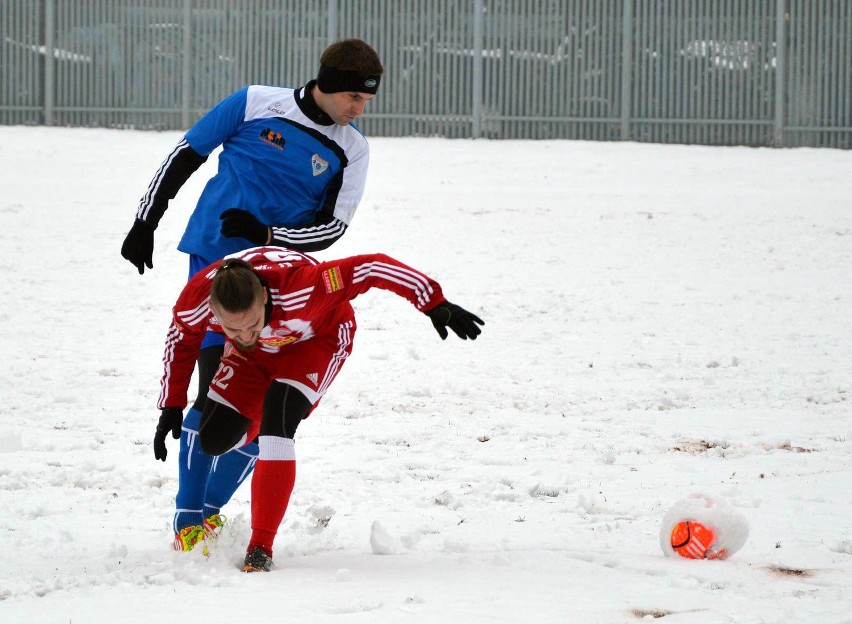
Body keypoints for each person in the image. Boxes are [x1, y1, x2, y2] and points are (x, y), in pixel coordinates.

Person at [120, 39, 384, 551]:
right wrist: (145, 220)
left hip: (282, 293)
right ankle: (189, 522)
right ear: (326, 84)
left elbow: (333, 229)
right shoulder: (254, 102)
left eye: (365, 101)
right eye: (353, 97)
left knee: (260, 416)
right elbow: (186, 155)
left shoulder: (353, 148)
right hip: (216, 273)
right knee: (211, 398)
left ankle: (210, 512)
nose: (358, 110)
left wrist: (268, 235)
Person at [154, 246, 484, 571]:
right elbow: (180, 340)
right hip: (257, 356)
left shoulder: (305, 285)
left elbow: (372, 267)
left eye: (252, 323)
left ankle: (260, 547)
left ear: (265, 299)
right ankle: (202, 512)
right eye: (231, 329)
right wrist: (171, 403)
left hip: (317, 341)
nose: (243, 334)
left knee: (277, 424)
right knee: (213, 438)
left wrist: (433, 302)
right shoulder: (199, 297)